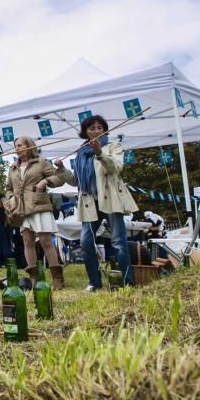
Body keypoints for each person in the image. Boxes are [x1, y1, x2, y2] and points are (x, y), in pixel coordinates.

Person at [57, 114, 138, 291]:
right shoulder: (80, 153)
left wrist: (100, 153)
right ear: (85, 132)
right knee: (86, 242)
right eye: (91, 128)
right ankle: (94, 282)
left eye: (99, 128)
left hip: (110, 199)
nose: (95, 131)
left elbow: (115, 168)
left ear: (104, 130)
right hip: (89, 201)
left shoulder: (113, 146)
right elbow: (77, 181)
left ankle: (127, 281)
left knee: (118, 242)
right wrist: (62, 171)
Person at [4, 136, 66, 290]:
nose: (17, 148)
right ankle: (34, 280)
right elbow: (9, 187)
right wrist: (11, 198)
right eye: (15, 145)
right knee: (27, 242)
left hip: (39, 205)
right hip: (21, 209)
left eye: (20, 145)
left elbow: (58, 178)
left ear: (29, 146)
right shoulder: (12, 167)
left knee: (45, 242)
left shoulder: (41, 162)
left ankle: (57, 279)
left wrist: (45, 181)